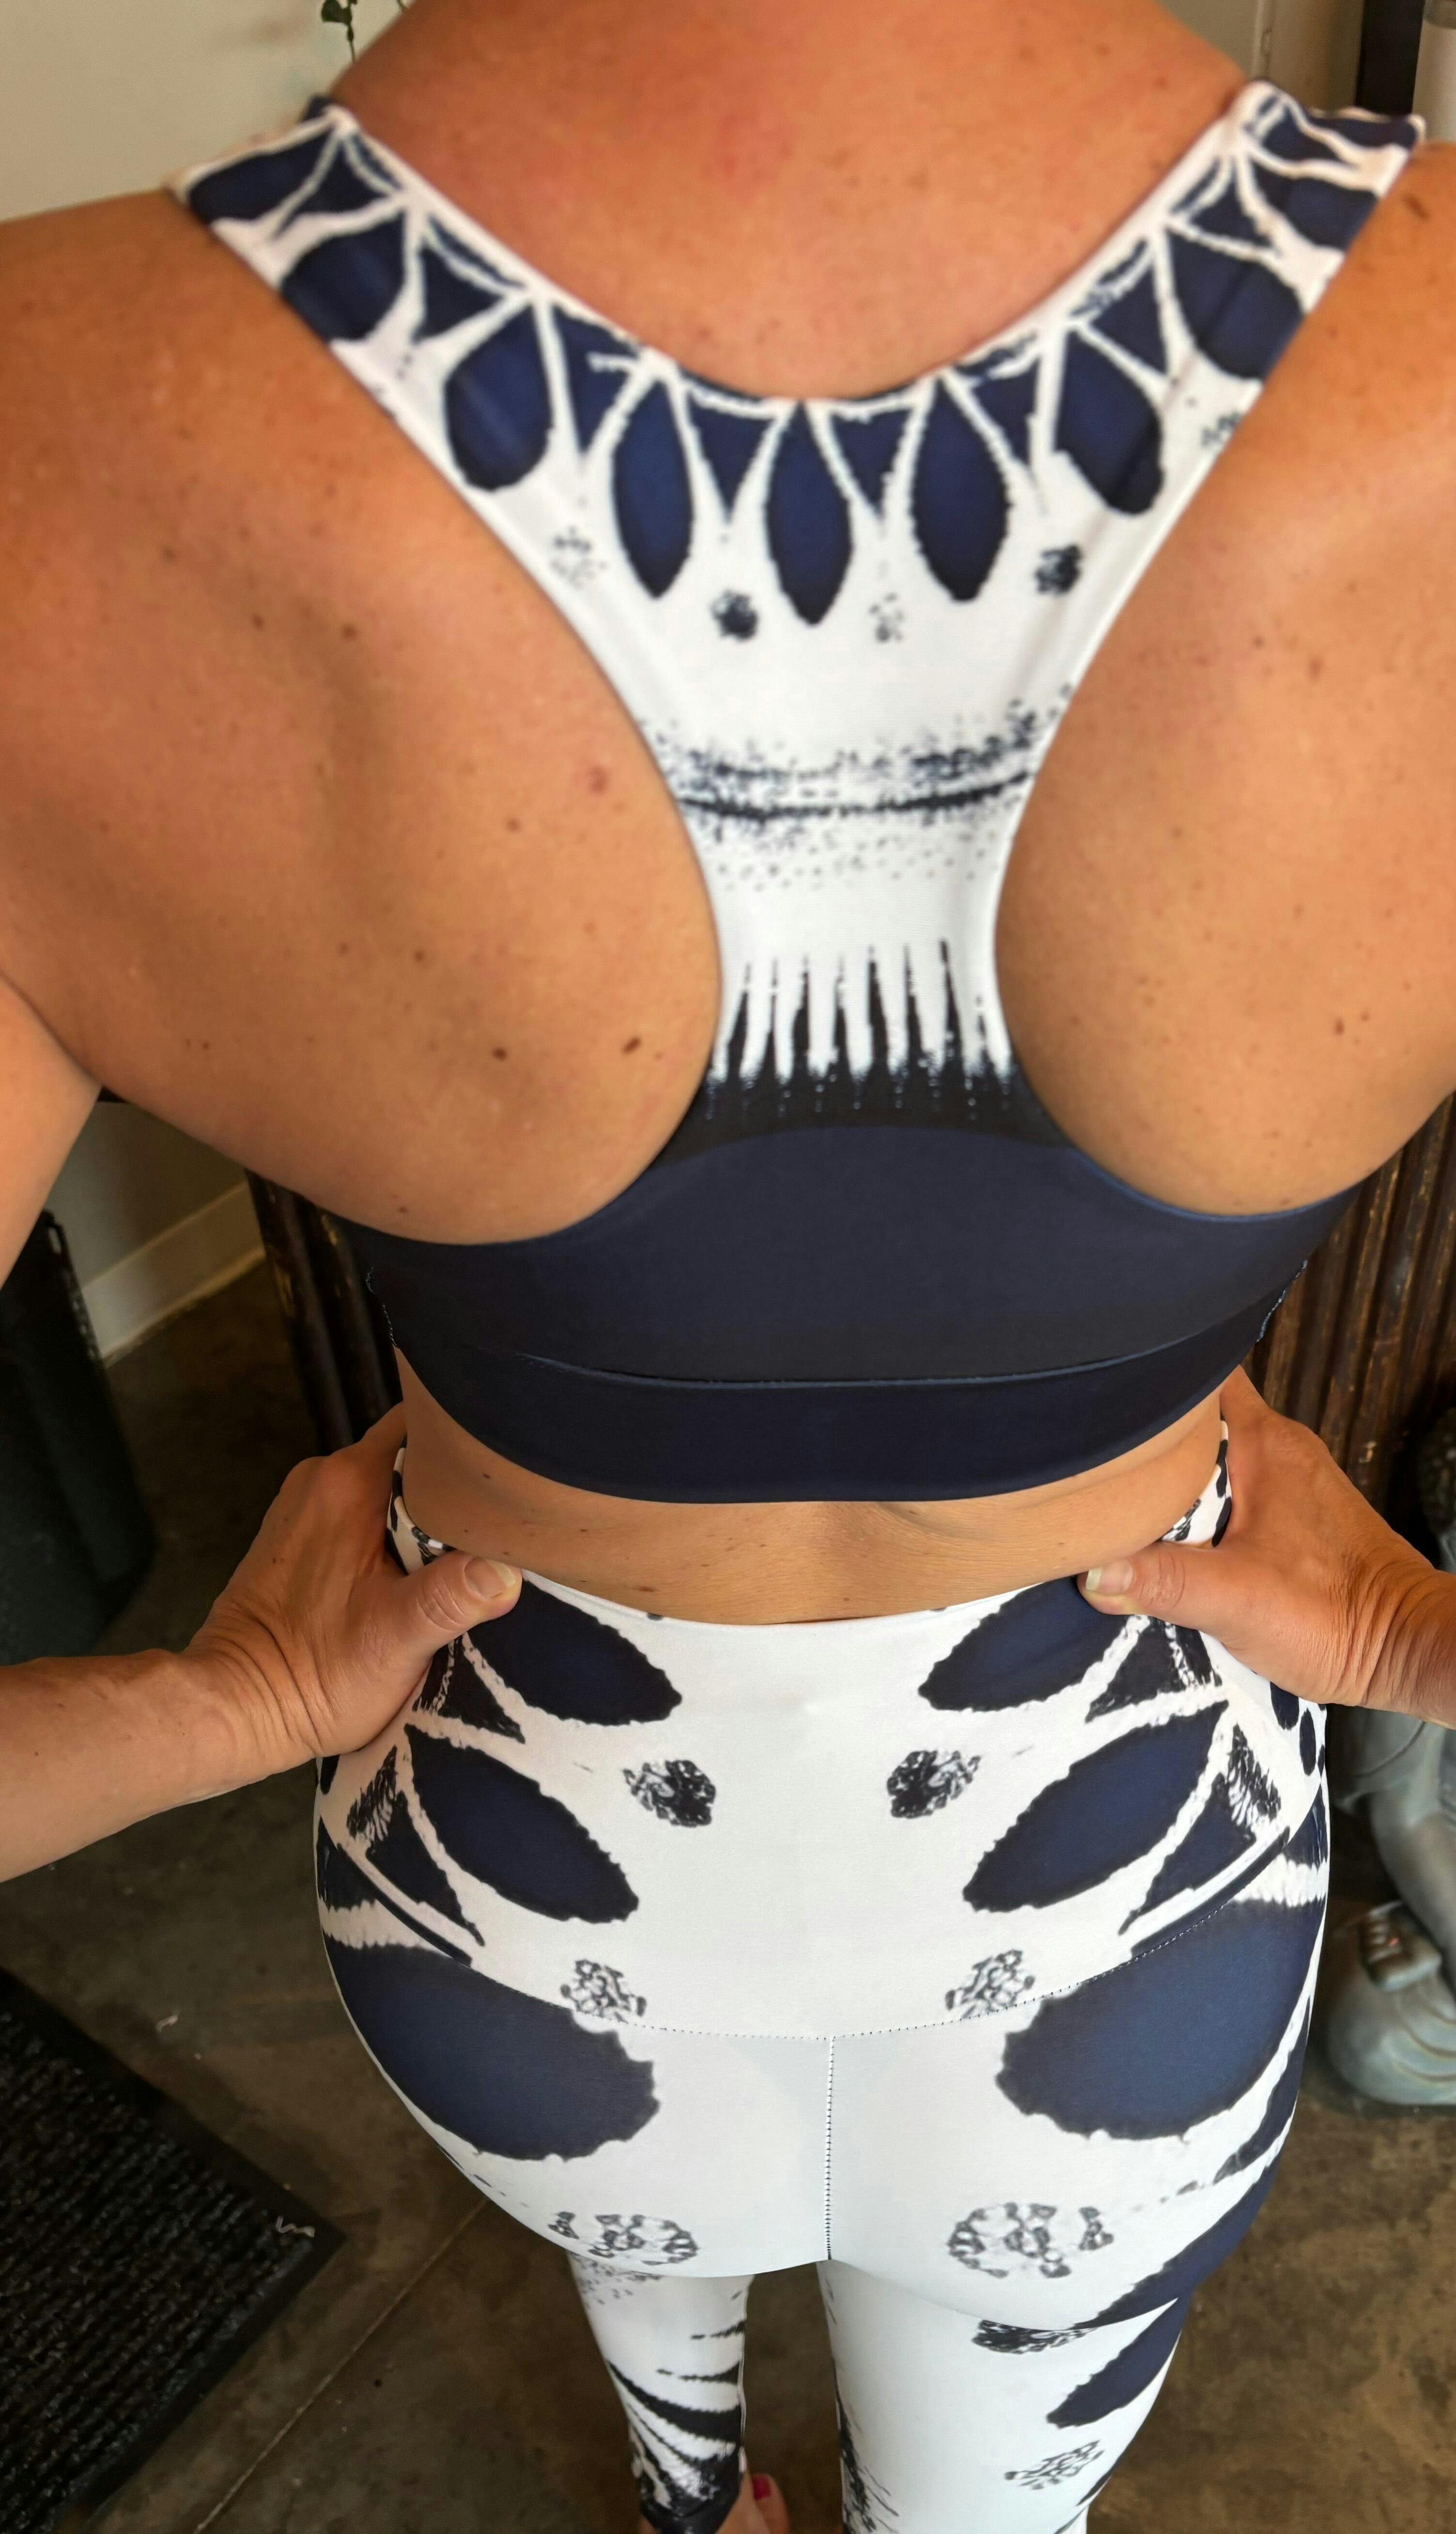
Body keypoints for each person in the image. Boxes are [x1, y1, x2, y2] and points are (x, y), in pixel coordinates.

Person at [4, 0, 1456, 2524]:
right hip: (1125, 1910)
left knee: (653, 2324)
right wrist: (1422, 1650)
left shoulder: (53, 436)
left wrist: (221, 1710)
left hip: (519, 1899)